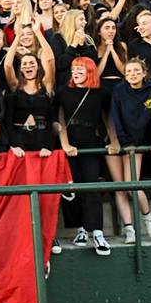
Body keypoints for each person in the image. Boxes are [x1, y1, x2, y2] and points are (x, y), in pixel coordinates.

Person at [55, 57, 115, 255]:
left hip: (91, 141)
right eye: (73, 69)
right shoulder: (64, 92)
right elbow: (60, 118)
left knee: (92, 185)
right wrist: (64, 143)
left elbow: (108, 118)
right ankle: (80, 229)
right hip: (70, 142)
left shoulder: (101, 93)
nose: (76, 72)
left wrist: (113, 141)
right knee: (72, 188)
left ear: (89, 70)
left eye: (80, 69)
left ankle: (97, 231)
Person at [109, 58, 151, 243]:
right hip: (119, 142)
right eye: (128, 72)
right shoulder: (119, 90)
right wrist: (123, 141)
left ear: (144, 73)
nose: (132, 75)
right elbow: (116, 117)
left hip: (137, 144)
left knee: (131, 184)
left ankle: (148, 218)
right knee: (119, 187)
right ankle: (129, 229)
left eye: (136, 71)